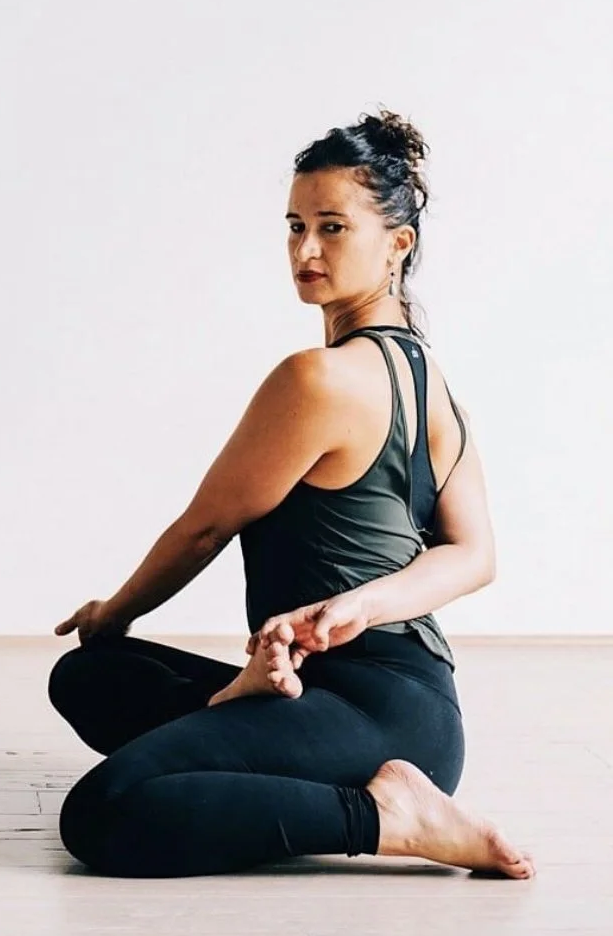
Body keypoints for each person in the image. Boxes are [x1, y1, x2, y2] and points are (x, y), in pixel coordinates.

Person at [51, 112, 534, 880]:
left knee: (103, 811)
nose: (305, 250)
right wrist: (361, 608)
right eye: (295, 225)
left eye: (334, 227)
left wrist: (115, 611)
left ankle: (384, 816)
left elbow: (206, 527)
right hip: (413, 710)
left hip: (369, 707)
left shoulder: (318, 380)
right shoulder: (433, 384)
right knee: (90, 675)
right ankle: (254, 710)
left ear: (397, 244)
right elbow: (472, 555)